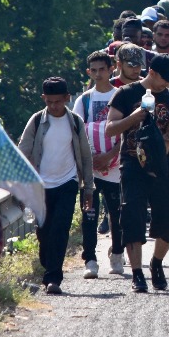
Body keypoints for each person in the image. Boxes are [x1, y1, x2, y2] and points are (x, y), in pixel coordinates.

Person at [106, 55, 169, 293]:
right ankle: (137, 272)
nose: (168, 84)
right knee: (132, 216)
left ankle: (157, 263)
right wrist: (133, 118)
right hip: (133, 164)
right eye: (164, 78)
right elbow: (110, 129)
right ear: (152, 73)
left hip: (164, 166)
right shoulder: (126, 94)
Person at [18, 77, 95, 294]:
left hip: (67, 183)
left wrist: (88, 188)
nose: (53, 106)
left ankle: (54, 278)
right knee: (44, 232)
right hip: (41, 185)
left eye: (58, 102)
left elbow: (86, 157)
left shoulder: (75, 122)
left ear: (66, 99)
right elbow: (23, 152)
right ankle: (48, 262)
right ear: (44, 99)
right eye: (49, 102)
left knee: (60, 229)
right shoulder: (36, 122)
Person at [72, 52, 124, 278]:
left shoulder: (120, 96)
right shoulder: (84, 100)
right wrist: (90, 161)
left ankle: (118, 254)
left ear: (112, 69)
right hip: (91, 169)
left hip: (116, 167)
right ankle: (90, 259)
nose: (98, 74)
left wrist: (111, 154)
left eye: (102, 69)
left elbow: (126, 130)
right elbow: (76, 132)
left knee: (116, 213)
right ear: (88, 72)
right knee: (89, 214)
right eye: (93, 70)